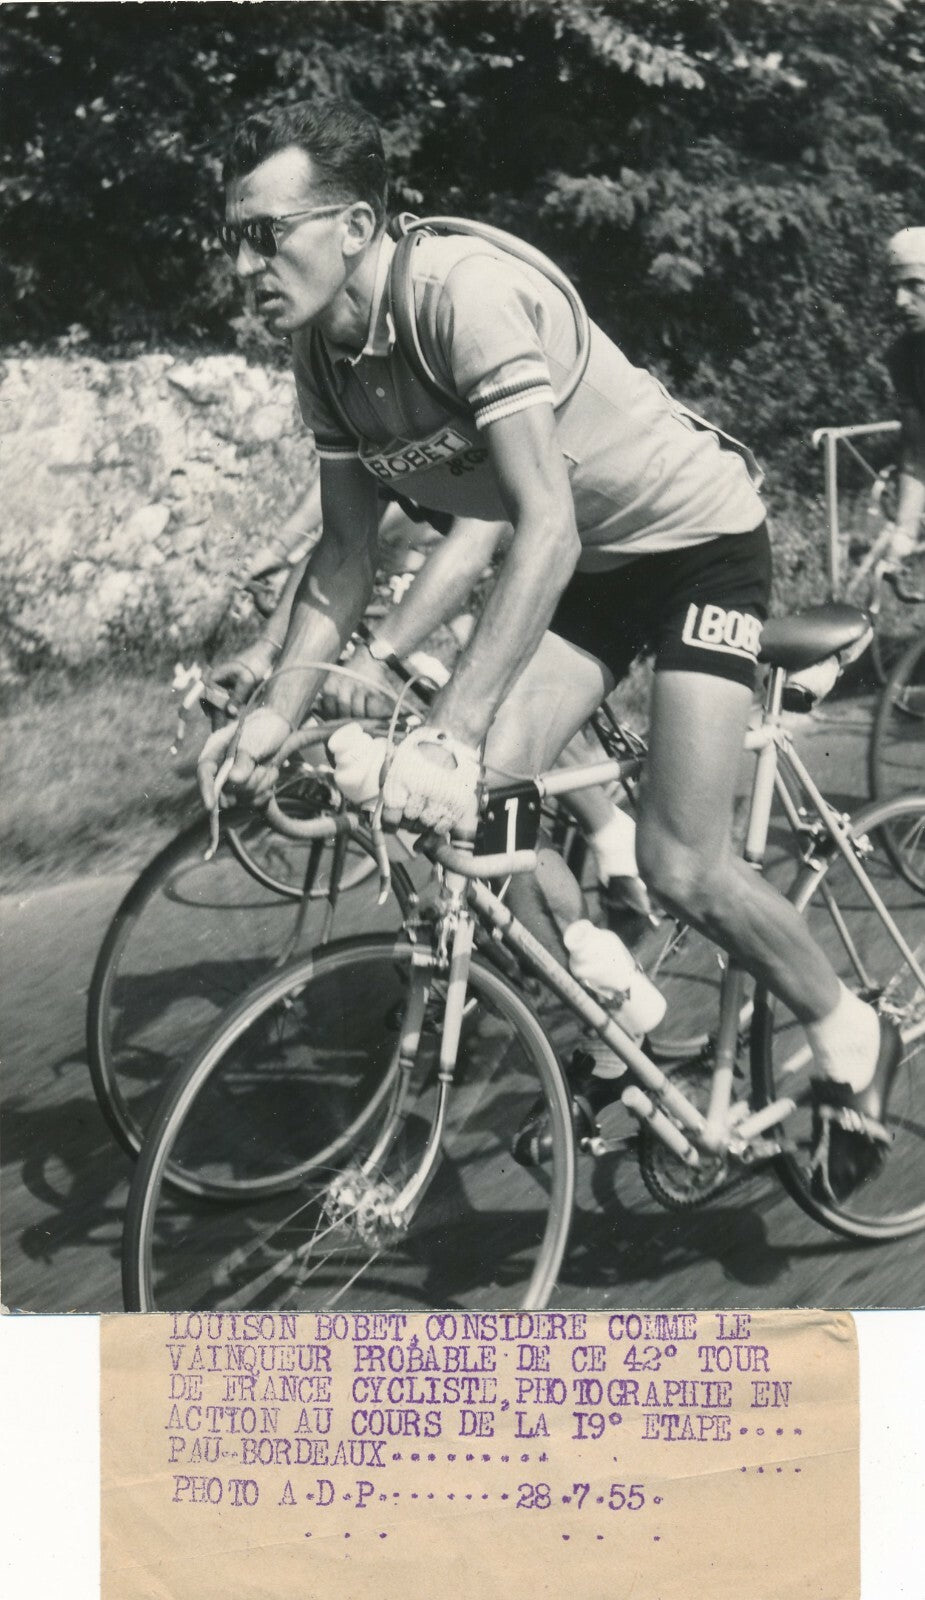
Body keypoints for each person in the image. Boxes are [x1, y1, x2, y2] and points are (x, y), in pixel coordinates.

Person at [199, 97, 900, 1202]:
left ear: (355, 224)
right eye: (228, 235)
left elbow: (542, 524)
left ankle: (843, 1022)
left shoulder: (459, 296)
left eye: (263, 232)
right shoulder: (321, 350)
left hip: (693, 548)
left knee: (678, 861)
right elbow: (340, 557)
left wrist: (451, 728)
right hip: (593, 572)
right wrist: (275, 714)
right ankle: (618, 1021)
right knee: (472, 814)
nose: (242, 264)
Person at [885, 227, 925, 555]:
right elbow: (916, 454)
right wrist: (904, 532)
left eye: (914, 285)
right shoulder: (904, 356)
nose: (900, 301)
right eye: (897, 287)